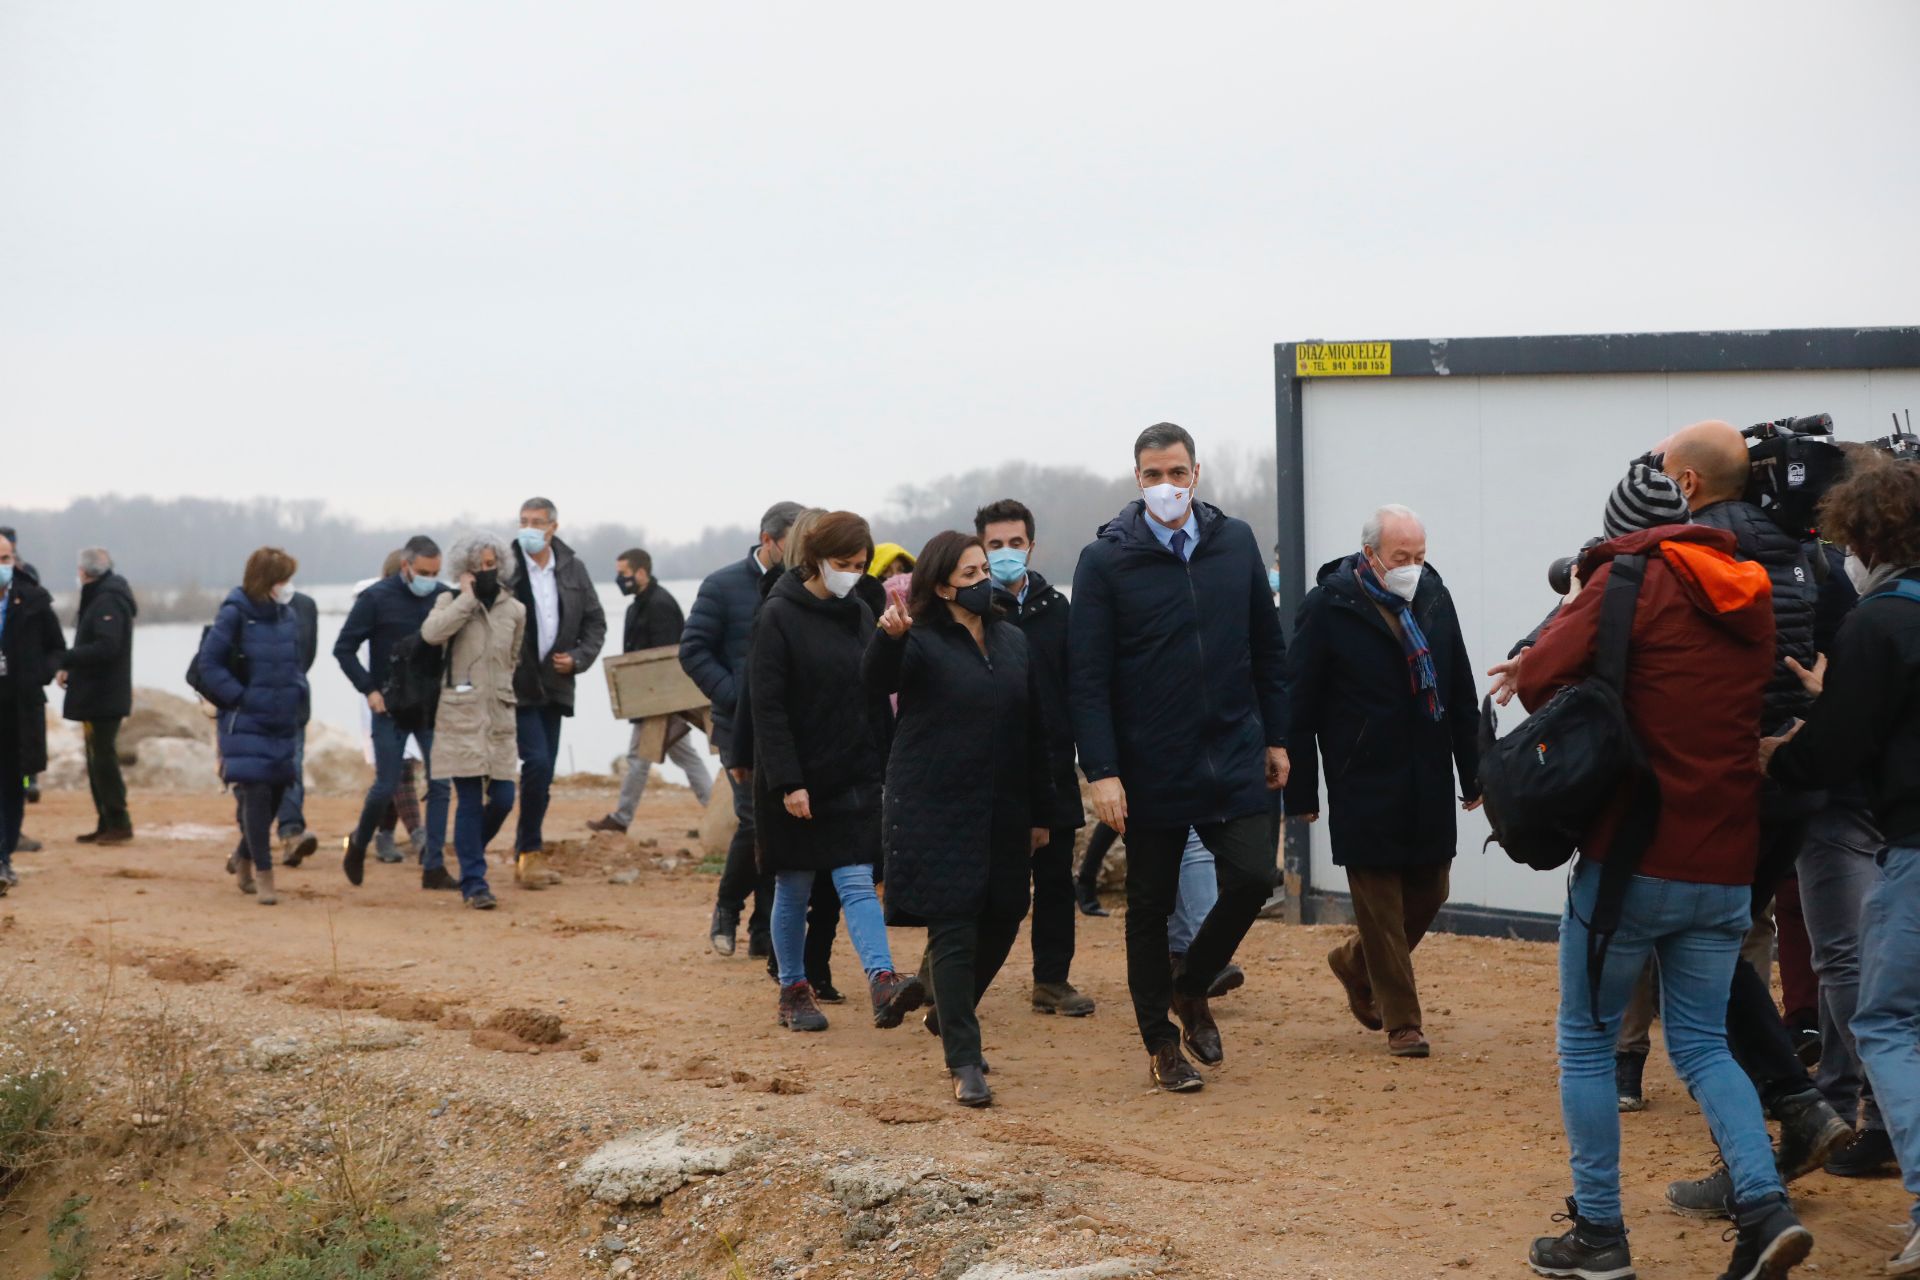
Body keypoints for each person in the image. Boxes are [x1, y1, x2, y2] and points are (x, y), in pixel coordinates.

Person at [1515, 485, 1814, 1280]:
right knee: (1707, 1044)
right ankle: (1763, 1207)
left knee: (1585, 1039)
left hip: (1630, 860)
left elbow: (1541, 680)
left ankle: (1600, 1234)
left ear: (1626, 532)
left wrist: (1577, 612)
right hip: (1725, 864)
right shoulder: (1751, 591)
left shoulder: (1625, 584)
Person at [1648, 422, 1851, 1213]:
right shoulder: (1806, 552)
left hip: (1727, 785)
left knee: (1694, 956)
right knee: (1715, 953)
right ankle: (1791, 1116)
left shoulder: (1696, 552)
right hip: (1793, 784)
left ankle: (1786, 1125)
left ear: (1689, 485)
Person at [1068, 422, 1290, 1093]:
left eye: (1177, 473)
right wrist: (1102, 771)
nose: (1166, 486)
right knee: (1149, 905)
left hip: (1232, 748)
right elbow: (1088, 677)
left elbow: (1267, 646)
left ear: (1198, 473)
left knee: (1253, 876)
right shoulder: (1105, 560)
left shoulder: (1236, 541)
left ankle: (1190, 987)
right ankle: (1162, 1044)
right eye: (1152, 476)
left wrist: (1276, 735)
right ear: (1136, 480)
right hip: (1150, 761)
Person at [1763, 455, 1920, 1274]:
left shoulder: (1878, 622)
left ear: (1863, 535)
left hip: (1914, 846)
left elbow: (1836, 748)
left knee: (1888, 1020)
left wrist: (1775, 757)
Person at [1286, 505, 1481, 1058]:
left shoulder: (1434, 595)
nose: (1413, 567)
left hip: (1427, 773)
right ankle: (1403, 1022)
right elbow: (1297, 702)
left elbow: (1460, 687)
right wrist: (1301, 791)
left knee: (1432, 887)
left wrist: (1473, 771)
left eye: (1420, 556)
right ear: (1371, 555)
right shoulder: (1328, 606)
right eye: (1402, 557)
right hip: (1362, 777)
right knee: (1380, 907)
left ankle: (1352, 963)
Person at [867, 531, 1052, 1105]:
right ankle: (965, 1061)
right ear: (942, 584)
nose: (982, 582)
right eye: (969, 574)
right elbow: (876, 682)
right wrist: (889, 641)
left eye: (983, 572)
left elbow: (1034, 729)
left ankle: (946, 1012)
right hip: (933, 805)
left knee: (1006, 911)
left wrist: (1042, 809)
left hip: (1004, 804)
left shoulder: (1012, 640)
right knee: (953, 927)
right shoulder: (918, 639)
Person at [750, 510, 923, 1033]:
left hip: (851, 769)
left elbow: (877, 685)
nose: (854, 573)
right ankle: (793, 989)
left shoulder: (858, 611)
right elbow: (767, 707)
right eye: (845, 564)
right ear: (817, 560)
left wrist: (893, 641)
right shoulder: (777, 615)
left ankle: (882, 980)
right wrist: (788, 781)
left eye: (861, 564)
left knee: (856, 879)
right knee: (795, 886)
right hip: (797, 779)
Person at [977, 499, 1094, 1017]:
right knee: (982, 885)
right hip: (990, 770)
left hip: (1051, 767)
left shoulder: (1057, 608)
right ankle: (954, 979)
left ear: (1031, 545)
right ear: (980, 547)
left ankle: (1052, 980)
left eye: (1015, 543)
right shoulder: (971, 611)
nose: (1006, 553)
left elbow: (1079, 686)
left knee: (1054, 882)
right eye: (995, 545)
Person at [681, 500, 805, 956]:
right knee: (756, 823)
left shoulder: (805, 588)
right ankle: (728, 908)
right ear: (768, 540)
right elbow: (693, 650)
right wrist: (736, 694)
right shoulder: (722, 585)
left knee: (784, 829)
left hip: (793, 728)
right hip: (739, 728)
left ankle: (762, 931)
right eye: (794, 544)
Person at [334, 536, 454, 889]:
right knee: (386, 785)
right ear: (405, 566)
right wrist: (369, 689)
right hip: (389, 706)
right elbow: (344, 649)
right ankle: (358, 844)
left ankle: (433, 866)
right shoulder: (375, 599)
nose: (429, 579)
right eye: (422, 572)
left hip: (430, 707)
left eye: (435, 572)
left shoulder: (444, 597)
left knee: (441, 784)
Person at [420, 532, 526, 911]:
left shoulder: (515, 610)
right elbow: (431, 634)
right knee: (467, 799)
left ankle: (468, 851)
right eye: (478, 565)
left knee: (503, 797)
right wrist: (467, 598)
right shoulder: (448, 601)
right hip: (460, 715)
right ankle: (474, 882)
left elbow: (513, 659)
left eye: (490, 563)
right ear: (463, 570)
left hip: (499, 715)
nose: (486, 570)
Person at [197, 548, 309, 907]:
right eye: (282, 580)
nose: (287, 587)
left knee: (277, 795)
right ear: (266, 581)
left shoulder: (287, 616)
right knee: (257, 796)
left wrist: (298, 695)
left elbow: (295, 665)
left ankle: (242, 858)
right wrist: (240, 698)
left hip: (281, 720)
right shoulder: (234, 614)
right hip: (245, 722)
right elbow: (209, 664)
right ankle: (264, 873)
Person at [508, 498, 607, 888]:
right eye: (522, 521)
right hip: (518, 684)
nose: (528, 528)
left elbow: (596, 621)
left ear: (553, 527)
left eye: (536, 522)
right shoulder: (507, 566)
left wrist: (580, 657)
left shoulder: (573, 569)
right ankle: (527, 851)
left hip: (558, 684)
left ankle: (526, 851)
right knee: (535, 763)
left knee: (544, 770)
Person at [589, 548, 713, 834]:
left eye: (624, 574)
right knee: (684, 758)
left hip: (659, 700)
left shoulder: (660, 604)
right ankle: (715, 811)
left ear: (641, 572)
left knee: (638, 759)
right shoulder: (637, 606)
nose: (620, 580)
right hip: (647, 699)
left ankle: (621, 818)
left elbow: (668, 657)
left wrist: (661, 699)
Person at [58, 547, 137, 845]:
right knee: (96, 759)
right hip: (94, 693)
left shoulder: (108, 600)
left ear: (85, 571)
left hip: (104, 695)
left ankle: (119, 821)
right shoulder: (100, 596)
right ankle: (106, 821)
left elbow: (107, 647)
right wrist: (71, 666)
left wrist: (67, 658)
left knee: (103, 759)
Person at [0, 532, 65, 893]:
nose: (1, 567)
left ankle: (5, 854)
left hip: (20, 710)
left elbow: (57, 647)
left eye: (6, 559)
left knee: (14, 786)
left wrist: (42, 672)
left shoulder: (35, 601)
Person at [274, 581, 321, 864]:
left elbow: (308, 655)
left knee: (292, 767)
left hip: (294, 701)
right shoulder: (242, 605)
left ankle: (291, 832)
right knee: (257, 778)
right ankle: (249, 843)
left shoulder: (305, 605)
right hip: (255, 704)